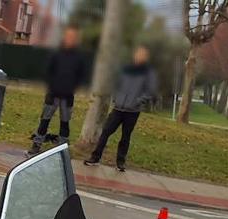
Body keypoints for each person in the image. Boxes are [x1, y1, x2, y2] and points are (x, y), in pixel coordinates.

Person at [84, 45, 158, 172]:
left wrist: (137, 101)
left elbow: (150, 90)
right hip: (118, 108)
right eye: (138, 53)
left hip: (132, 111)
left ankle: (120, 163)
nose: (139, 56)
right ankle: (95, 158)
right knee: (106, 131)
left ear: (146, 57)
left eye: (143, 54)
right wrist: (116, 98)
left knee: (125, 137)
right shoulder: (125, 68)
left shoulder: (148, 72)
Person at [28, 26, 89, 156]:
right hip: (52, 95)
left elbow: (82, 75)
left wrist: (72, 86)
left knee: (65, 123)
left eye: (73, 37)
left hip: (67, 97)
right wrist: (52, 85)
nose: (70, 39)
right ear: (64, 37)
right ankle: (36, 145)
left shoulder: (79, 57)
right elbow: (47, 72)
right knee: (44, 121)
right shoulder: (56, 54)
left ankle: (62, 150)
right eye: (68, 36)